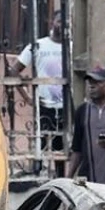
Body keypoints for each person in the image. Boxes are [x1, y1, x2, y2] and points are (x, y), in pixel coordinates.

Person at [10, 10, 66, 158]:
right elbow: (14, 71)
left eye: (66, 22)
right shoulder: (38, 46)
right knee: (39, 145)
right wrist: (28, 97)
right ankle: (38, 169)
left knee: (61, 149)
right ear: (52, 22)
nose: (63, 25)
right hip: (43, 105)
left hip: (65, 106)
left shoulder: (71, 47)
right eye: (60, 21)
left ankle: (60, 177)